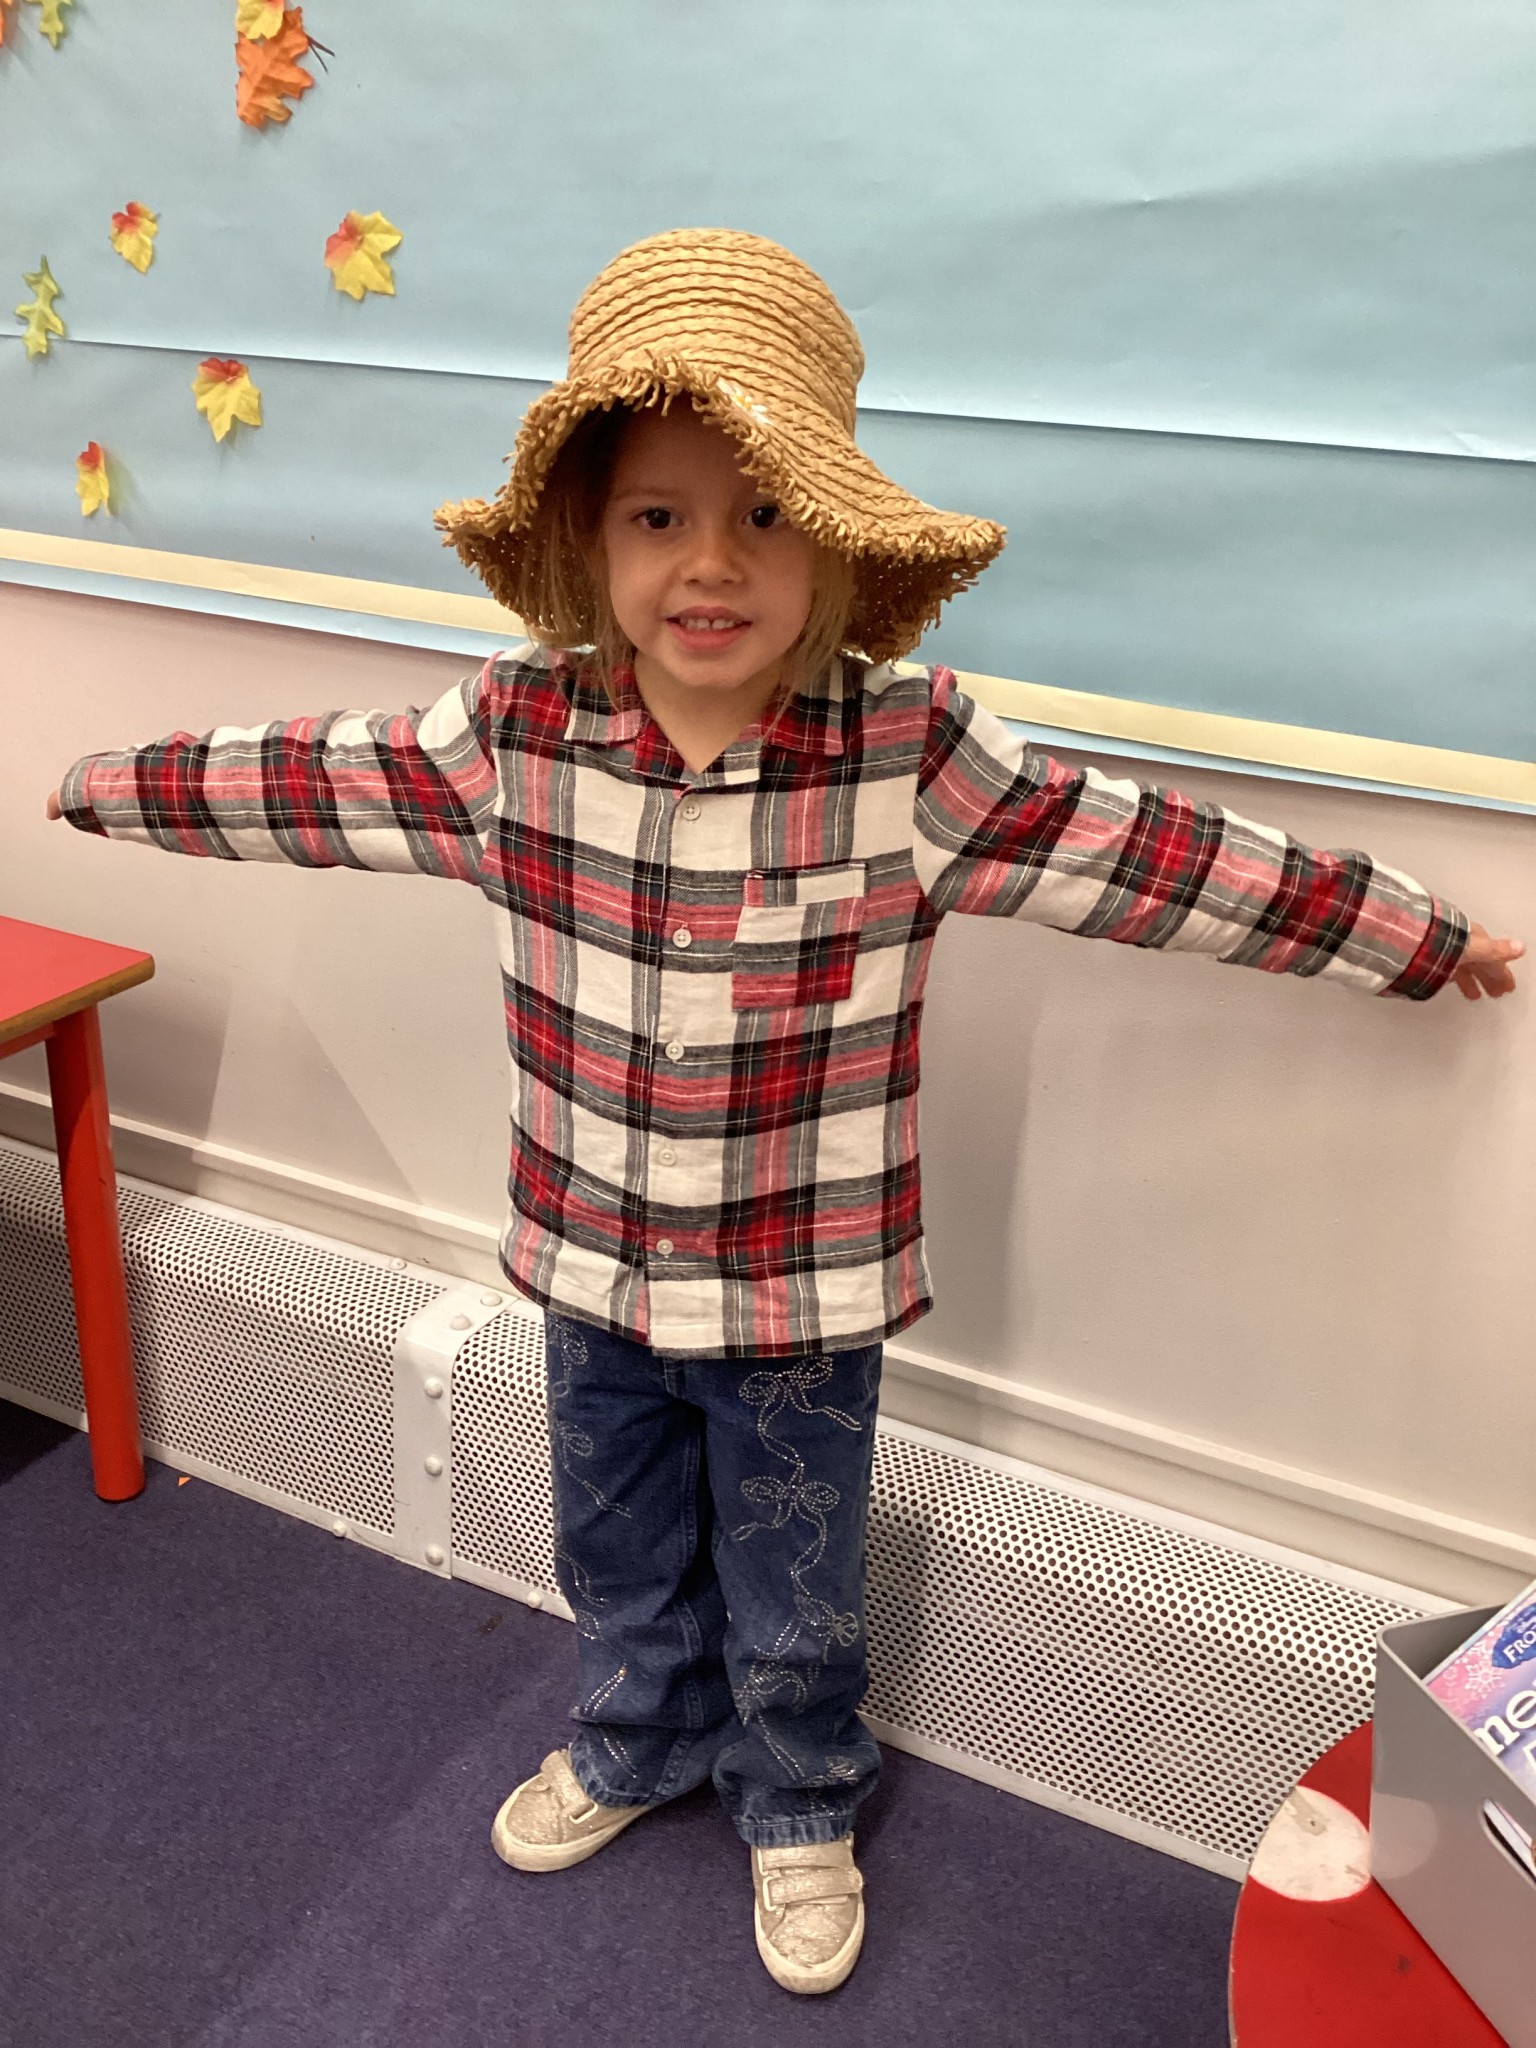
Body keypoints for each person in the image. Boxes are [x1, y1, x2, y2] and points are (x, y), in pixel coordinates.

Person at [47, 228, 1522, 1996]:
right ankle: (636, 1734)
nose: (711, 565)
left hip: (802, 1292)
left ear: (834, 548)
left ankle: (801, 1795)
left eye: (763, 515)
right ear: (593, 544)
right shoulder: (511, 734)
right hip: (587, 1256)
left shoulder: (910, 752)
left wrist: (1413, 937)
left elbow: (1158, 855)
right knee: (611, 1530)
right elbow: (302, 777)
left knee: (798, 1561)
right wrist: (94, 788)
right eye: (660, 517)